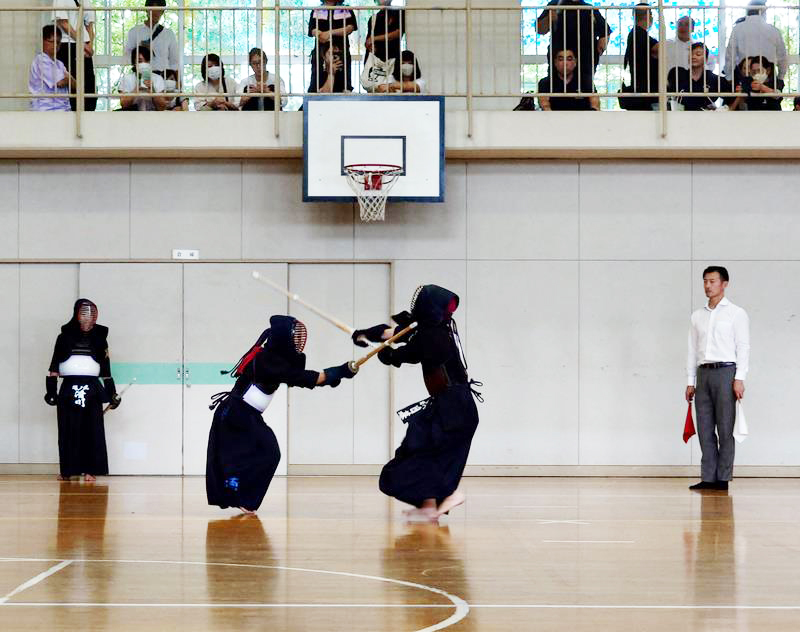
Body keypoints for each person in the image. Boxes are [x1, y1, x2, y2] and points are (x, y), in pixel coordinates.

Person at [352, 285, 482, 521]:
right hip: (451, 404)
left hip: (454, 407)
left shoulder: (433, 336)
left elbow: (409, 352)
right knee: (416, 448)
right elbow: (394, 332)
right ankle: (429, 505)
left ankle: (446, 495)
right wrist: (364, 334)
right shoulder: (431, 328)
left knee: (425, 451)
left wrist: (389, 354)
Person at [206, 315, 356, 514]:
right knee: (261, 454)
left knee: (264, 453)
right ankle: (243, 499)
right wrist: (337, 372)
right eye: (295, 337)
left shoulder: (273, 359)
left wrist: (332, 377)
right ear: (283, 338)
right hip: (236, 413)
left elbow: (297, 376)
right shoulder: (266, 360)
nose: (299, 342)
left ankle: (244, 499)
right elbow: (301, 377)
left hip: (245, 415)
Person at [686, 267, 750, 492]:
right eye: (705, 281)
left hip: (726, 373)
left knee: (725, 427)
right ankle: (708, 477)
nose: (707, 285)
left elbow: (743, 347)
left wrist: (739, 378)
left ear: (724, 284)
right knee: (704, 428)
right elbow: (692, 350)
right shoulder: (697, 316)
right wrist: (690, 380)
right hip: (704, 373)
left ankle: (723, 477)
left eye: (712, 281)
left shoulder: (736, 313)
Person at [45, 299, 121, 482]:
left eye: (91, 313)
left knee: (92, 430)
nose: (88, 317)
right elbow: (54, 366)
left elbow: (106, 370)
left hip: (93, 388)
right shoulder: (63, 337)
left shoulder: (100, 339)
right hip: (69, 388)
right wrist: (51, 390)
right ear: (76, 315)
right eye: (84, 313)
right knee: (67, 430)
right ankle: (67, 470)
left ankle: (90, 470)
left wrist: (112, 394)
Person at [536, 0, 610, 84]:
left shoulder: (589, 8)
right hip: (559, 55)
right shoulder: (554, 4)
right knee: (556, 86)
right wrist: (549, 18)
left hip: (585, 57)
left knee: (584, 87)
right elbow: (540, 30)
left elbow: (605, 31)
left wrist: (600, 48)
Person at [723, 0, 787, 83]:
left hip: (746, 75)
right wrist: (780, 78)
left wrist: (729, 77)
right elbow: (782, 58)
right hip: (768, 76)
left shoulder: (737, 29)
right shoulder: (774, 31)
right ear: (763, 11)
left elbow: (730, 57)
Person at [53, 0, 96, 111]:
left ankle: (89, 117)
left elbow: (90, 26)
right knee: (71, 86)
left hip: (84, 47)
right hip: (67, 45)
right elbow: (63, 23)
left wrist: (89, 45)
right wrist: (82, 43)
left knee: (88, 87)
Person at [307, 0, 358, 93]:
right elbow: (312, 29)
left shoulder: (346, 9)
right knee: (318, 80)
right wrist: (320, 34)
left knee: (342, 81)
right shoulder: (316, 10)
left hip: (341, 51)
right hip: (321, 52)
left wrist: (329, 33)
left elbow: (350, 28)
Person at [667, 43, 730, 111]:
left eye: (698, 54)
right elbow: (670, 95)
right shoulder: (677, 74)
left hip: (706, 118)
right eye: (691, 54)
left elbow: (732, 97)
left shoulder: (715, 79)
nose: (693, 57)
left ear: (706, 60)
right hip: (680, 117)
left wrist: (724, 111)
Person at [123, 0, 178, 77]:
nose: (155, 13)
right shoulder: (134, 32)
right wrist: (140, 51)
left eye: (159, 10)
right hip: (142, 76)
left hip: (163, 77)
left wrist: (177, 81)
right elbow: (127, 56)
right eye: (152, 10)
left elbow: (174, 62)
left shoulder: (169, 34)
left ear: (162, 12)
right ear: (147, 10)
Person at [621, 3, 660, 111]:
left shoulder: (635, 34)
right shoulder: (639, 34)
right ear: (649, 15)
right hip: (643, 90)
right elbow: (658, 49)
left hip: (641, 87)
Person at [29, 25, 74, 112]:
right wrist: (69, 79)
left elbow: (75, 85)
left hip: (63, 109)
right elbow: (60, 82)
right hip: (45, 110)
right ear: (43, 41)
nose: (55, 45)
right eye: (52, 41)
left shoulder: (59, 64)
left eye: (58, 42)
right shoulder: (41, 60)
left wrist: (69, 80)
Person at [118, 45, 169, 111]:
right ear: (134, 63)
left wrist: (153, 91)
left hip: (153, 117)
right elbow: (124, 105)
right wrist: (136, 89)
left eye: (147, 61)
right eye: (140, 61)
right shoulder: (126, 79)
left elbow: (162, 107)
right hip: (132, 117)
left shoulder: (158, 79)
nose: (144, 64)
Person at [365, 0, 405, 64]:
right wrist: (370, 46)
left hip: (392, 58)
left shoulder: (399, 11)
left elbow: (398, 33)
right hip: (375, 61)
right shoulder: (373, 18)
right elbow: (368, 41)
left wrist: (374, 38)